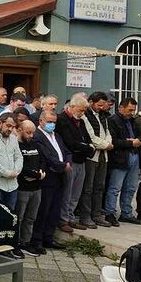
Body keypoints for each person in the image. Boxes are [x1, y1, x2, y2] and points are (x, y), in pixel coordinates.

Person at [32, 110, 72, 253]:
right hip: (47, 178)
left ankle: (49, 237)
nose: (52, 125)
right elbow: (47, 156)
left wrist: (67, 162)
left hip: (59, 177)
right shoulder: (37, 136)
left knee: (55, 209)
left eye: (54, 122)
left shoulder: (57, 136)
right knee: (44, 210)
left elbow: (67, 152)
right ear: (41, 121)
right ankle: (37, 240)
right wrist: (62, 166)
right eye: (49, 122)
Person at [56, 96, 95, 232]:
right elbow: (70, 143)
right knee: (67, 191)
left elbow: (88, 139)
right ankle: (63, 219)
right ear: (71, 107)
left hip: (81, 159)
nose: (82, 113)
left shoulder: (81, 121)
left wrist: (87, 147)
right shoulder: (62, 120)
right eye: (80, 110)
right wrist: (87, 147)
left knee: (76, 193)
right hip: (71, 160)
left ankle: (71, 217)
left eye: (84, 110)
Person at [78, 91, 114, 228]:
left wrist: (108, 144)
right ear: (91, 102)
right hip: (91, 157)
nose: (101, 107)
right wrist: (106, 145)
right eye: (99, 105)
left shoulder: (103, 116)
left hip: (103, 156)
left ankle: (97, 214)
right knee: (88, 188)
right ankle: (85, 216)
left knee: (99, 187)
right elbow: (91, 137)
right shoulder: (85, 115)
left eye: (103, 105)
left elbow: (107, 133)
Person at [106, 98, 141, 225]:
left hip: (134, 155)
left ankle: (126, 213)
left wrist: (136, 140)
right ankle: (109, 212)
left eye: (133, 110)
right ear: (121, 108)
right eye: (129, 110)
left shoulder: (133, 121)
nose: (131, 113)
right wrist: (129, 142)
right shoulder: (113, 120)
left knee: (131, 187)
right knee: (115, 187)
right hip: (120, 157)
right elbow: (112, 140)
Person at [15, 120, 44, 258]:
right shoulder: (16, 145)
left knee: (31, 218)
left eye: (33, 132)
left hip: (36, 187)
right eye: (28, 132)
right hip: (22, 188)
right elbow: (20, 166)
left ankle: (26, 242)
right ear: (20, 129)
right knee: (19, 217)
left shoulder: (35, 144)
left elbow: (42, 160)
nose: (31, 135)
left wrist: (40, 173)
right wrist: (33, 174)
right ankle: (17, 243)